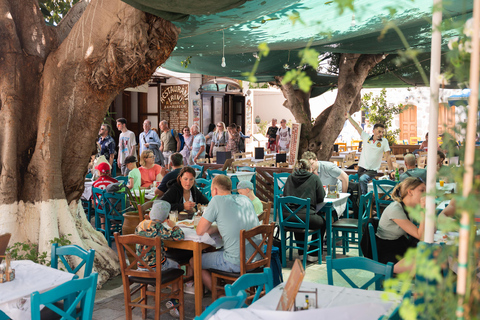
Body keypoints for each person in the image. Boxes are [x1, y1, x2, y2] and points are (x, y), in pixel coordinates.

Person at [191, 175, 260, 292]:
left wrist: (214, 228)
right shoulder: (245, 199)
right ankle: (233, 290)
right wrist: (218, 227)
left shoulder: (216, 200)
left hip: (237, 262)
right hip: (257, 257)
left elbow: (200, 230)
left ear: (215, 190)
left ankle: (219, 295)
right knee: (220, 251)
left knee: (194, 261)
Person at [135, 200, 185, 318]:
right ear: (164, 218)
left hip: (140, 267)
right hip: (157, 268)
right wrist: (174, 226)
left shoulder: (140, 225)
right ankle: (174, 301)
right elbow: (179, 236)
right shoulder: (159, 227)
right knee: (177, 266)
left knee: (163, 260)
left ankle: (147, 301)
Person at [375, 177, 426, 273]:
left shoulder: (411, 207)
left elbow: (431, 231)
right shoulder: (395, 209)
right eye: (422, 190)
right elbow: (421, 235)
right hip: (388, 254)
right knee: (426, 265)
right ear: (410, 192)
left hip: (400, 246)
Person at [283, 159, 325, 262]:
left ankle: (301, 253)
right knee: (322, 222)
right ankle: (313, 254)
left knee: (298, 219)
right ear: (310, 168)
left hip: (287, 217)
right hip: (306, 216)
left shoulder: (289, 177)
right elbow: (321, 197)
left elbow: (285, 195)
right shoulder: (314, 178)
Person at [346, 112, 393, 194]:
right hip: (362, 168)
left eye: (382, 132)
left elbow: (388, 156)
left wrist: (391, 170)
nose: (381, 134)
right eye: (379, 132)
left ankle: (365, 199)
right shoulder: (366, 137)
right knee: (360, 187)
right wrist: (349, 117)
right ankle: (362, 204)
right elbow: (357, 127)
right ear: (373, 131)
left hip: (372, 170)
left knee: (363, 179)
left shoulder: (384, 141)